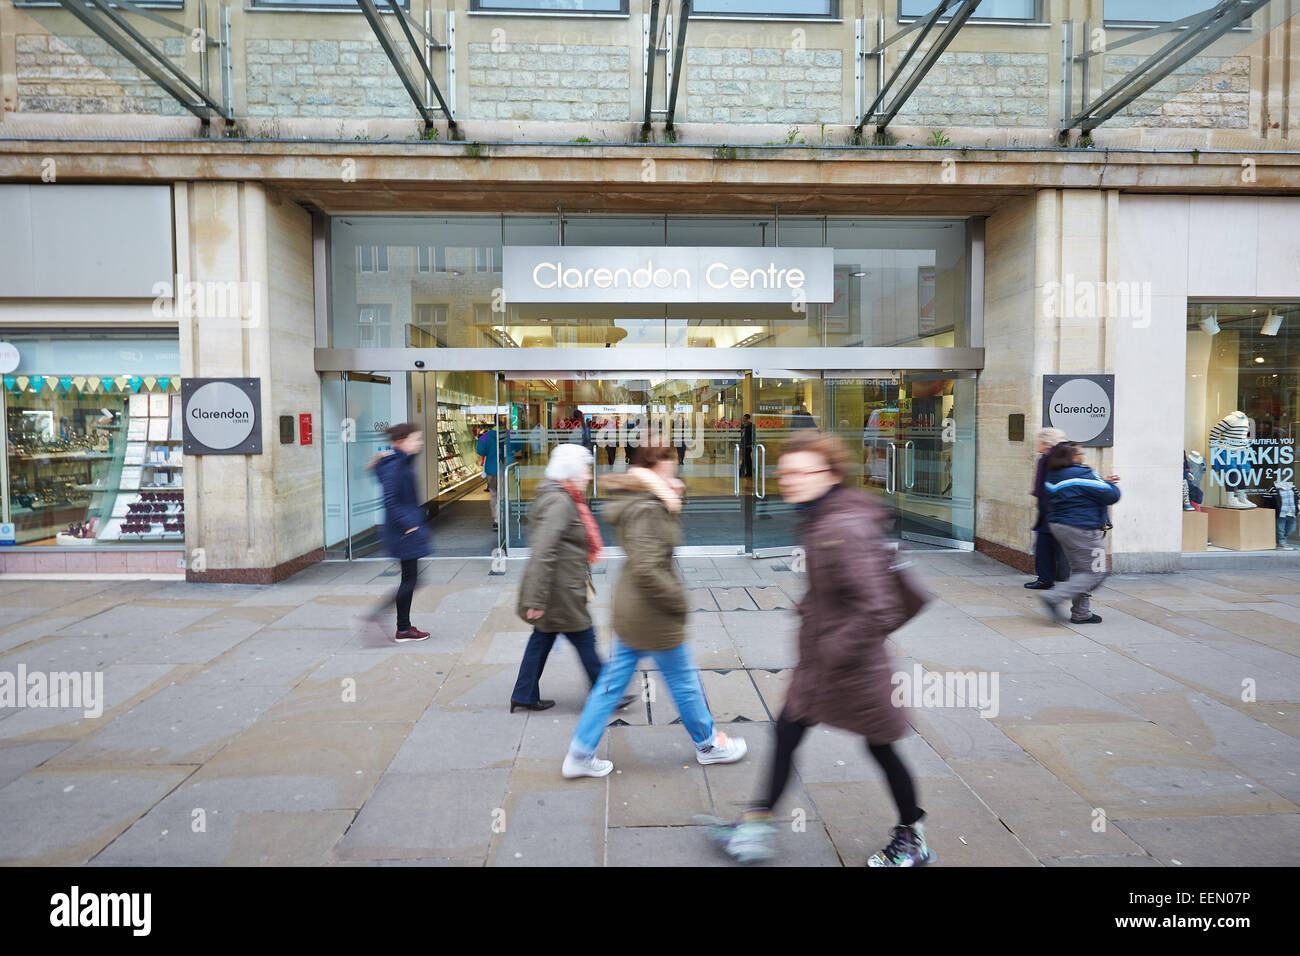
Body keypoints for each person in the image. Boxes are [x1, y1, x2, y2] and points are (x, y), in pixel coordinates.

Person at [705, 430, 935, 866]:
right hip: (822, 664)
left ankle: (913, 835)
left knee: (880, 745)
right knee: (787, 734)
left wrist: (833, 647)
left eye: (798, 472)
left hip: (855, 668)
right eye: (784, 472)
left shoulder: (841, 527)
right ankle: (755, 826)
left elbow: (879, 608)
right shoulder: (820, 518)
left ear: (828, 474)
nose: (787, 480)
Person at [561, 443, 747, 778]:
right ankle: (708, 744)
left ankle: (579, 752)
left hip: (634, 609)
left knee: (612, 683)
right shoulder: (647, 506)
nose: (675, 467)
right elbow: (648, 566)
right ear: (655, 465)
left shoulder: (646, 497)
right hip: (652, 611)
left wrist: (671, 496)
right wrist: (677, 600)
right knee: (683, 680)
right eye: (671, 461)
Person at [510, 444, 635, 713]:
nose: (589, 476)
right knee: (584, 637)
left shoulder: (564, 496)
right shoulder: (559, 501)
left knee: (542, 638)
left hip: (560, 585)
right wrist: (536, 598)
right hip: (560, 590)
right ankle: (605, 694)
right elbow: (544, 552)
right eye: (586, 470)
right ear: (571, 472)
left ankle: (523, 692)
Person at [1040, 441, 1121, 626]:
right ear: (1073, 457)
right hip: (1082, 529)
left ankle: (1081, 613)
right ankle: (1054, 597)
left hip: (1060, 526)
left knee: (1081, 570)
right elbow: (1112, 495)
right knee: (1096, 571)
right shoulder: (1082, 473)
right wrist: (1106, 484)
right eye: (1081, 454)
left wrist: (1101, 482)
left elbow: (1077, 491)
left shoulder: (1053, 475)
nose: (1083, 457)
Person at [371, 423, 432, 643]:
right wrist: (410, 525)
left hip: (406, 529)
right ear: (401, 441)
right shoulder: (395, 465)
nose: (420, 443)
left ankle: (403, 628)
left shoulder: (400, 461)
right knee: (412, 579)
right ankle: (392, 623)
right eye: (416, 439)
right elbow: (390, 500)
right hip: (403, 532)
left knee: (411, 578)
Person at [1025, 427, 1068, 590]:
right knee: (1055, 543)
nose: (1036, 443)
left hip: (1050, 507)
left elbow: (1044, 486)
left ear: (1046, 443)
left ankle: (1045, 578)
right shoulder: (1062, 457)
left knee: (1044, 544)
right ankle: (1058, 574)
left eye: (1038, 440)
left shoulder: (1047, 459)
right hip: (1058, 508)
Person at [476, 418, 503, 531]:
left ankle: (496, 520)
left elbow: (480, 451)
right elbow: (517, 447)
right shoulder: (507, 434)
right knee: (504, 494)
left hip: (491, 469)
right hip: (504, 469)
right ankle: (504, 516)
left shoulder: (485, 436)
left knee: (493, 494)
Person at [739, 413, 755, 479]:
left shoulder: (751, 426)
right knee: (746, 458)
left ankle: (744, 472)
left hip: (749, 444)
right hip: (744, 444)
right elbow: (741, 434)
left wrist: (752, 443)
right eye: (744, 419)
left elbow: (753, 435)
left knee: (746, 458)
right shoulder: (743, 425)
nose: (744, 420)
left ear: (749, 419)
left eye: (745, 419)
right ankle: (747, 473)